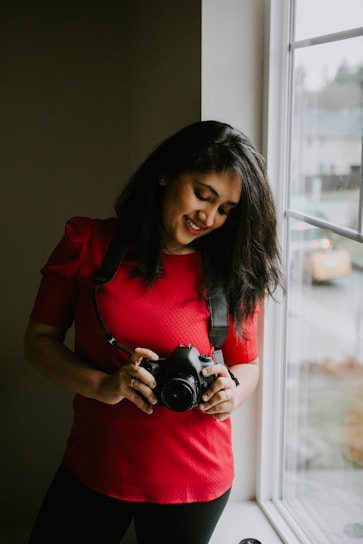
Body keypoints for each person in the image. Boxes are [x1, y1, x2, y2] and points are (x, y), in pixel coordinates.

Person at [24, 120, 283, 544]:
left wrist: (231, 392)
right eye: (203, 194)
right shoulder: (86, 242)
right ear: (166, 173)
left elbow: (246, 363)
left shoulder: (234, 269)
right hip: (94, 465)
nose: (210, 217)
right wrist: (104, 385)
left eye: (226, 209)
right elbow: (37, 343)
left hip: (196, 479)